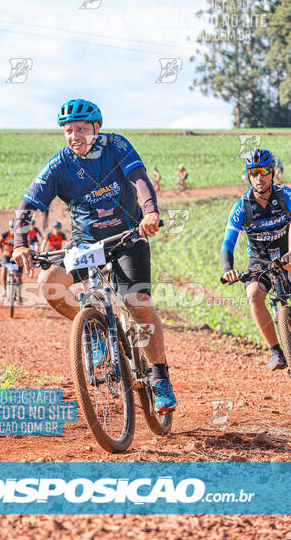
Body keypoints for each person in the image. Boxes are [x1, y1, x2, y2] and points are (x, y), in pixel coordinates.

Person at [12, 98, 177, 412]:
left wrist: (151, 213)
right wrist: (20, 243)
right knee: (49, 281)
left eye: (81, 129)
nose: (74, 136)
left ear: (96, 128)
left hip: (127, 236)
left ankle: (160, 378)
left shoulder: (116, 146)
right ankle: (94, 328)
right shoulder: (60, 164)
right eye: (68, 130)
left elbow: (139, 179)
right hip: (87, 244)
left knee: (137, 305)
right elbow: (27, 207)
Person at [221, 148, 291, 371]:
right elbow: (228, 243)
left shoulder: (285, 196)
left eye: (263, 172)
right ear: (248, 176)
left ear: (272, 173)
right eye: (253, 173)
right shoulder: (242, 206)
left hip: (287, 251)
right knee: (253, 293)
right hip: (260, 260)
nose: (259, 178)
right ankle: (276, 352)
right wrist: (228, 268)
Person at [0, 219, 23, 301]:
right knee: (4, 270)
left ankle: (19, 293)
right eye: (12, 227)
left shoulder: (20, 236)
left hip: (17, 256)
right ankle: (5, 289)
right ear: (9, 227)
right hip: (7, 255)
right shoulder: (3, 236)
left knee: (19, 277)